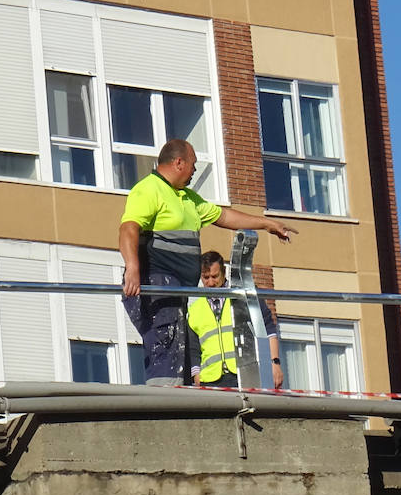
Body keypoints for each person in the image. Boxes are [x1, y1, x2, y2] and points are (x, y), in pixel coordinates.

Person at [119, 139, 296, 385]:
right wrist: (133, 268)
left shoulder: (187, 198)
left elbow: (224, 216)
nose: (194, 171)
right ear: (178, 162)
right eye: (193, 165)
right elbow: (129, 228)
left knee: (175, 344)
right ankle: (165, 406)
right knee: (166, 343)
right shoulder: (149, 189)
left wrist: (266, 224)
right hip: (156, 281)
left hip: (177, 288)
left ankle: (175, 399)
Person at [188, 250, 284, 389]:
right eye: (206, 277)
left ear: (224, 271)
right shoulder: (195, 308)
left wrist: (274, 362)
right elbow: (193, 348)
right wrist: (196, 375)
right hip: (209, 380)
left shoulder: (242, 296)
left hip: (243, 374)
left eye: (215, 276)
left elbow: (268, 327)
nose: (210, 282)